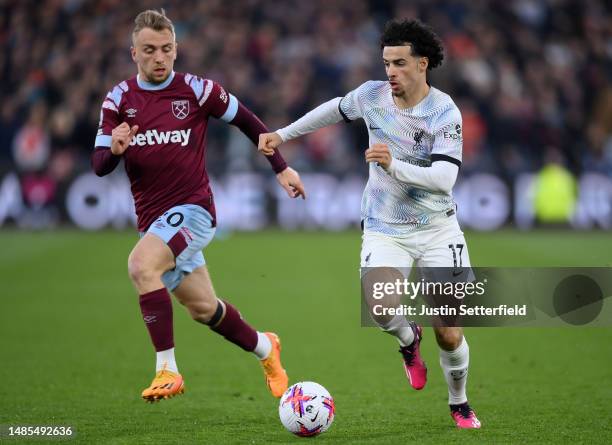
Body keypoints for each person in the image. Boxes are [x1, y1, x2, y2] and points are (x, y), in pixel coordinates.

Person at [259, 19, 481, 429]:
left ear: (422, 65)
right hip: (384, 225)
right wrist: (283, 134)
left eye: (399, 63)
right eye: (386, 63)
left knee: (449, 333)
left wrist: (393, 164)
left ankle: (459, 402)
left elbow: (445, 178)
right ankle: (408, 338)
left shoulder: (444, 111)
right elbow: (335, 108)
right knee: (380, 306)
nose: (390, 72)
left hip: (437, 229)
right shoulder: (372, 96)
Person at [92, 9, 305, 403]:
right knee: (205, 309)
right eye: (150, 50)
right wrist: (115, 150)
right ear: (133, 53)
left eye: (167, 49)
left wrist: (281, 167)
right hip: (153, 221)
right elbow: (99, 165)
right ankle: (265, 347)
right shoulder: (118, 100)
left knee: (141, 266)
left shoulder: (197, 90)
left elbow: (248, 122)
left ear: (176, 50)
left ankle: (166, 370)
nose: (159, 57)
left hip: (194, 210)